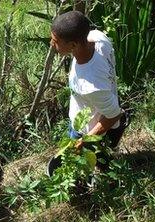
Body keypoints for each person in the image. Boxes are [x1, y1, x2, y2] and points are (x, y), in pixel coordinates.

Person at [50, 11, 128, 150]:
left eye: (55, 41)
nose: (51, 44)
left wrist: (84, 141)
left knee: (93, 165)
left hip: (89, 130)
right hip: (89, 113)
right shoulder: (98, 38)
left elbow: (114, 115)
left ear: (74, 45)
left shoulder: (90, 85)